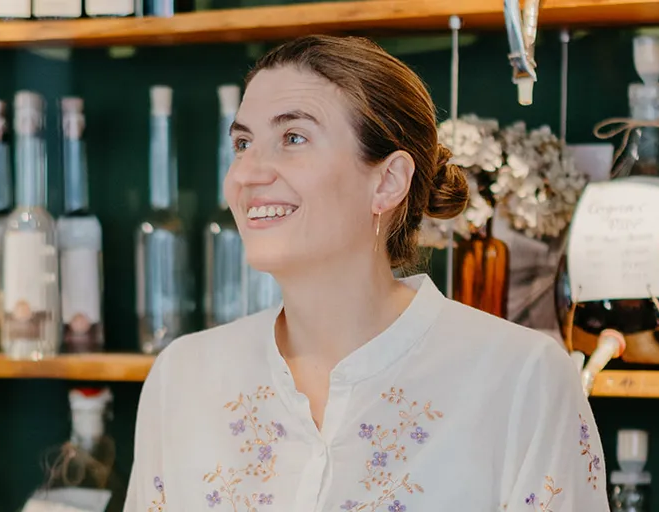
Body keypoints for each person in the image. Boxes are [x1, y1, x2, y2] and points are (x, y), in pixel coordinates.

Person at [123, 35, 609, 512]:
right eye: (243, 142)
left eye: (293, 137)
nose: (246, 173)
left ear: (388, 180)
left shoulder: (524, 380)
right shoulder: (183, 377)